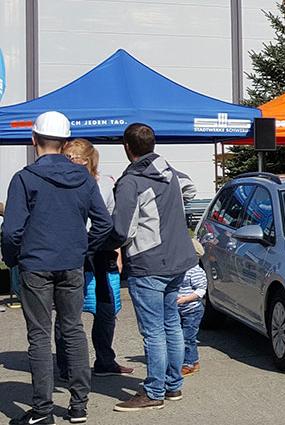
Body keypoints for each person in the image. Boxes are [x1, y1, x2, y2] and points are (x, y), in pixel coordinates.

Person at [1, 111, 112, 425]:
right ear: (65, 143)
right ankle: (79, 407)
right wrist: (83, 248)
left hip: (36, 264)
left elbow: (11, 231)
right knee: (74, 331)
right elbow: (104, 223)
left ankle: (43, 410)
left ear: (33, 139)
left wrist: (13, 259)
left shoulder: (24, 178)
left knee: (39, 336)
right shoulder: (83, 179)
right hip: (71, 264)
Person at [106, 123, 198, 412]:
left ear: (126, 147)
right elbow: (191, 188)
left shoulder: (130, 181)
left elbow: (122, 231)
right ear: (153, 144)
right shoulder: (168, 172)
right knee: (171, 323)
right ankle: (172, 386)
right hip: (177, 259)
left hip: (149, 263)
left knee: (154, 331)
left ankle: (154, 391)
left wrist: (101, 241)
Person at [54, 139, 134, 382]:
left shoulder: (105, 184)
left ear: (88, 161)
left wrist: (117, 252)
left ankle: (105, 360)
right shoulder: (58, 184)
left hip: (100, 253)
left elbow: (111, 220)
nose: (70, 163)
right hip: (72, 253)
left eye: (74, 158)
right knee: (69, 312)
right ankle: (66, 366)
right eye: (67, 158)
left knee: (106, 309)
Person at [177, 239, 208, 377]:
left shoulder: (195, 271)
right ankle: (186, 361)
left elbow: (201, 290)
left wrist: (185, 299)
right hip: (179, 309)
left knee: (187, 338)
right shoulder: (179, 269)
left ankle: (190, 363)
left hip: (192, 310)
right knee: (179, 336)